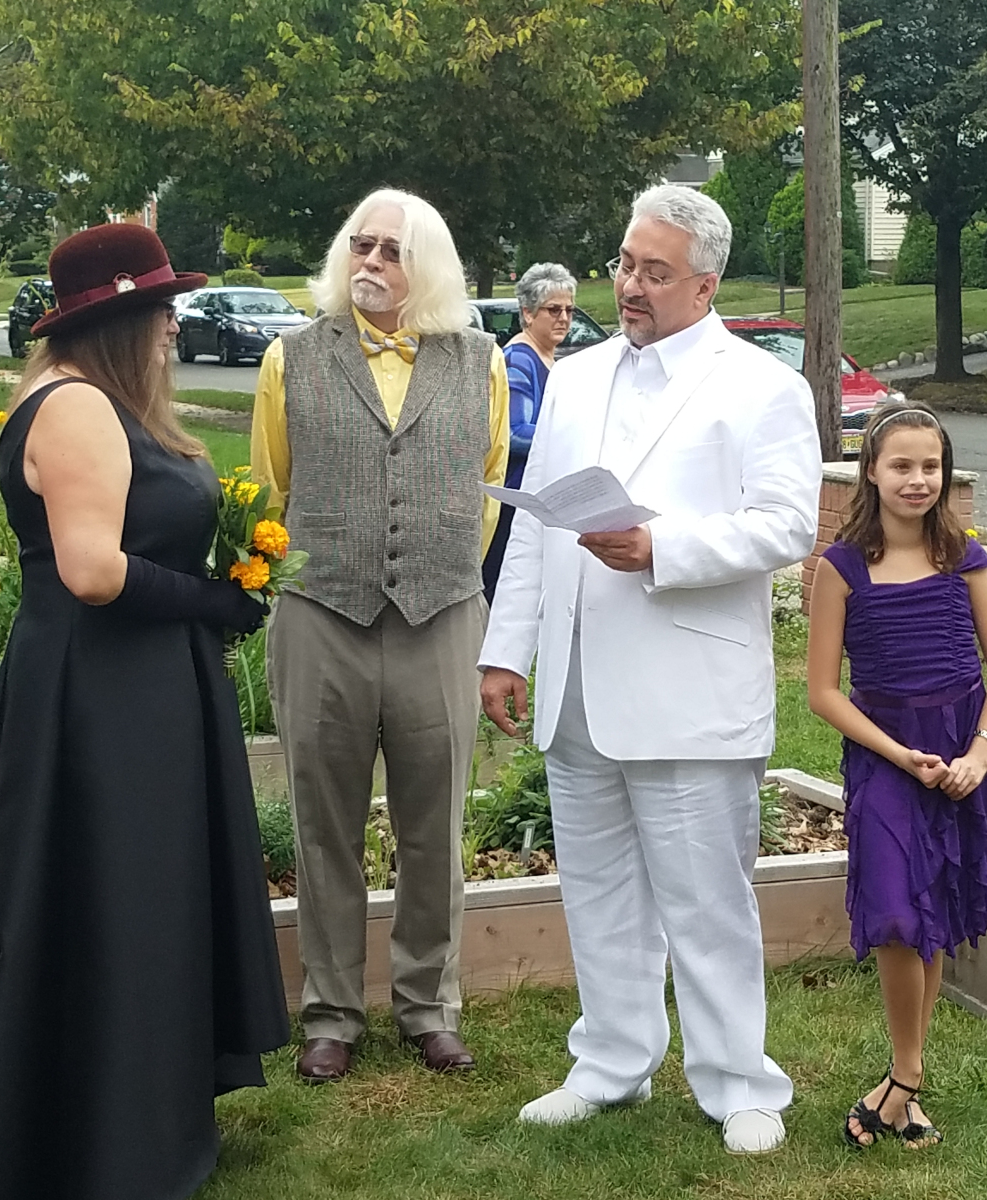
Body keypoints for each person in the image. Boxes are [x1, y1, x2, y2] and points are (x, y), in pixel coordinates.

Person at [0, 224, 289, 1198]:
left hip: (134, 684)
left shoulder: (104, 403)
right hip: (102, 697)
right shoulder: (74, 408)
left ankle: (134, 1102)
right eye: (161, 309)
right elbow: (93, 571)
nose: (172, 326)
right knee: (111, 894)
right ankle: (101, 1127)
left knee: (131, 896)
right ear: (120, 319)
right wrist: (215, 600)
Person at [479, 185, 820, 1156]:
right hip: (579, 681)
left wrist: (661, 549)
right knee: (596, 890)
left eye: (654, 272)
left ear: (705, 285)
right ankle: (611, 1062)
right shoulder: (577, 376)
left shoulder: (761, 386)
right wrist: (505, 650)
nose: (629, 285)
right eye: (625, 263)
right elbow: (535, 527)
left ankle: (739, 1082)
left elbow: (787, 525)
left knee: (707, 900)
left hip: (689, 687)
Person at [250, 189, 509, 1082]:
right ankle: (330, 1013)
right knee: (323, 825)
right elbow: (271, 488)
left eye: (391, 250)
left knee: (434, 824)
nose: (369, 261)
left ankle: (430, 1007)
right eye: (360, 245)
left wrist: (440, 569)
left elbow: (486, 488)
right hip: (322, 614)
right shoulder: (290, 357)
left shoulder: (482, 361)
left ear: (426, 266)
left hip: (441, 615)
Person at [804, 400, 987, 1151]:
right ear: (871, 470)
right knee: (898, 914)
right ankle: (908, 1076)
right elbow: (823, 691)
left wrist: (980, 753)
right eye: (901, 465)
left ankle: (903, 1087)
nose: (918, 479)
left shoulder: (964, 557)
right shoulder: (840, 568)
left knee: (933, 916)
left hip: (961, 755)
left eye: (932, 466)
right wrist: (899, 756)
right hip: (887, 759)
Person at [481, 262, 577, 601]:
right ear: (528, 313)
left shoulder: (548, 358)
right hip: (515, 500)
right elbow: (514, 432)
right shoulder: (519, 359)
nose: (563, 318)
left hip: (538, 498)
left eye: (569, 310)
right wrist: (574, 433)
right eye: (553, 309)